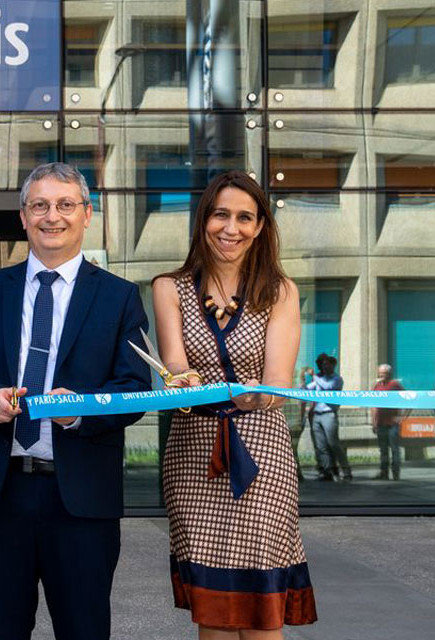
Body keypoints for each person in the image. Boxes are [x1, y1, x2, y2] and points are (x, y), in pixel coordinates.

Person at [0, 163, 153, 640]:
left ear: (87, 214)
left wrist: (81, 409)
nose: (52, 216)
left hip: (80, 502)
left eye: (65, 205)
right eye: (40, 205)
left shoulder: (119, 298)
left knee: (85, 631)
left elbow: (135, 388)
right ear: (23, 216)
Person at [154, 170, 315, 638]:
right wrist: (180, 383)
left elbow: (278, 382)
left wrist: (253, 394)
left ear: (261, 226)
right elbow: (176, 366)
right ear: (204, 219)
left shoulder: (280, 290)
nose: (232, 227)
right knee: (215, 610)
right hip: (194, 455)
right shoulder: (170, 287)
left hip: (262, 451)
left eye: (245, 217)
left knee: (262, 609)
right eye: (221, 214)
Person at [304, 354, 348, 482]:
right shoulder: (319, 378)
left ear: (333, 366)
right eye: (323, 365)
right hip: (317, 414)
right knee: (321, 446)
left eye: (327, 365)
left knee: (333, 444)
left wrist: (314, 376)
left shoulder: (337, 379)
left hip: (329, 414)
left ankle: (346, 470)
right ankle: (327, 471)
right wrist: (303, 380)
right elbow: (307, 388)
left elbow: (327, 387)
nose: (324, 367)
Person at [371, 364, 404, 481]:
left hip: (392, 423)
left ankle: (396, 474)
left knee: (394, 449)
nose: (381, 375)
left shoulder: (395, 385)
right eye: (380, 373)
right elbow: (374, 405)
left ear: (389, 374)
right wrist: (373, 422)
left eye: (383, 373)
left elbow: (408, 398)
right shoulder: (377, 386)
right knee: (383, 449)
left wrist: (402, 417)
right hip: (380, 423)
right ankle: (383, 472)